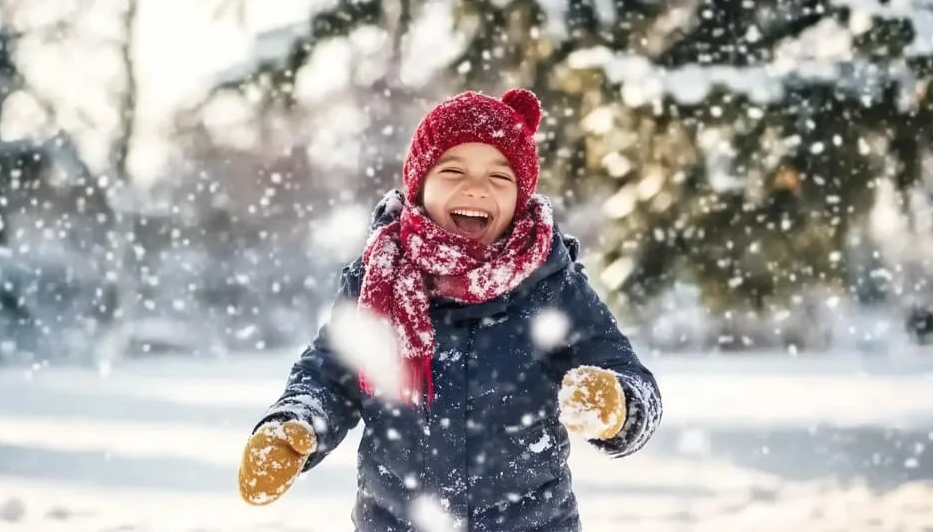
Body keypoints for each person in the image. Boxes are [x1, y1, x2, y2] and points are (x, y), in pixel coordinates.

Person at [237, 88, 663, 531]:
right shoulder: (379, 279)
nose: (476, 188)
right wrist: (293, 426)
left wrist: (617, 406)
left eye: (500, 178)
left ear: (520, 196)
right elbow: (329, 376)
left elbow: (635, 382)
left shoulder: (551, 287)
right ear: (420, 185)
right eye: (453, 169)